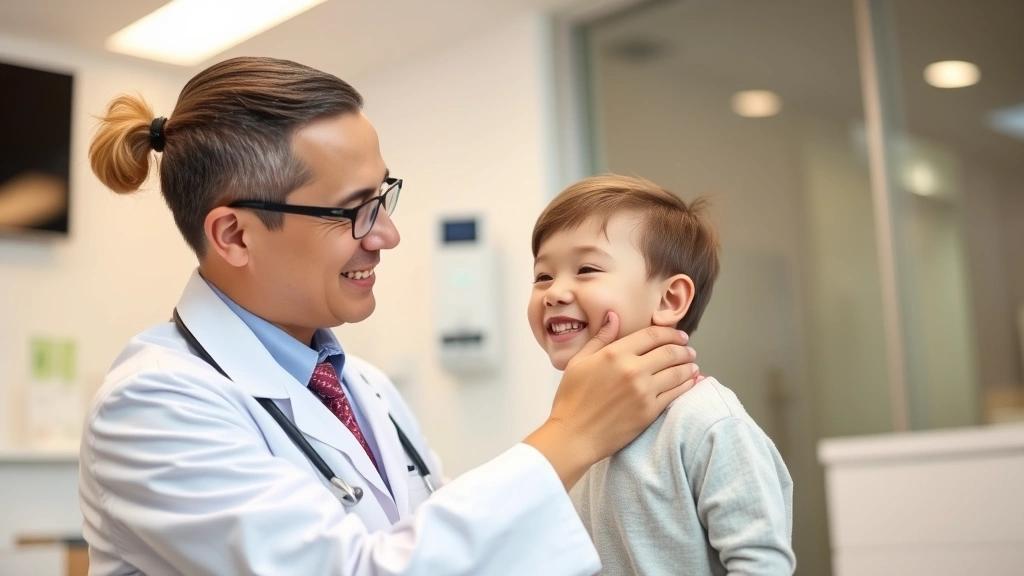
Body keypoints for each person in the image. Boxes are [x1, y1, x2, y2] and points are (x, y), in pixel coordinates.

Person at [79, 57, 701, 576]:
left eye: (384, 197)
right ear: (235, 235)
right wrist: (572, 432)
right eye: (355, 210)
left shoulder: (362, 387)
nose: (388, 235)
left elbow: (443, 548)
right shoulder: (155, 405)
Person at [528, 175, 796, 575]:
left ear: (670, 299)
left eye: (585, 269)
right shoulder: (576, 433)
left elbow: (762, 564)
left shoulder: (709, 423)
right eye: (543, 276)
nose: (554, 292)